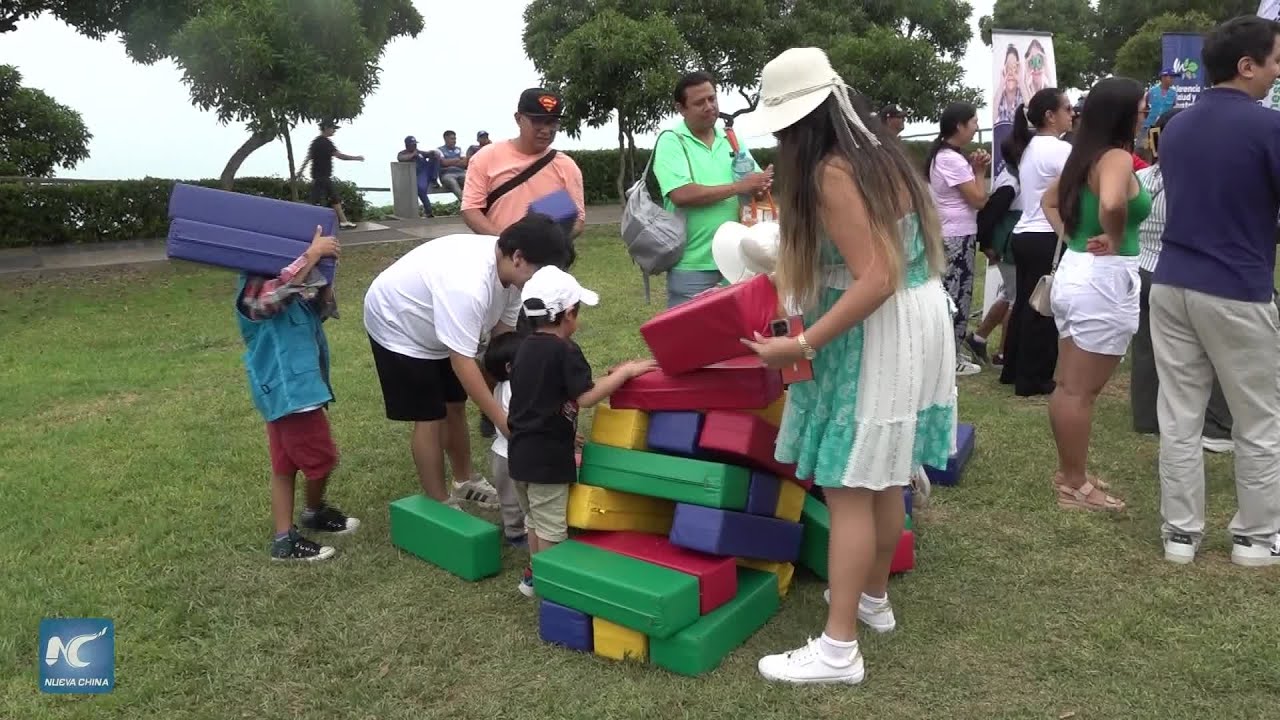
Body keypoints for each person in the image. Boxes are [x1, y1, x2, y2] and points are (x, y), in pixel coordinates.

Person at [735, 47, 957, 685]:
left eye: (781, 129)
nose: (778, 141)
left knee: (851, 486)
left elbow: (875, 277)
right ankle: (873, 600)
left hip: (873, 334)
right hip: (916, 321)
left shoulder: (832, 172)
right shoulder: (878, 153)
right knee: (883, 477)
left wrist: (800, 346)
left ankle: (838, 649)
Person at [1152, 16, 1280, 567]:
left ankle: (1180, 534)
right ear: (1247, 66)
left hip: (1172, 281)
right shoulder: (1268, 127)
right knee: (1258, 417)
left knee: (1179, 414)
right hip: (1236, 287)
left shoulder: (1176, 126)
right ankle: (1254, 538)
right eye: (1275, 60)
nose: (1278, 71)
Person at [361, 214, 571, 508]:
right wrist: (503, 420)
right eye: (540, 274)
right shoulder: (468, 285)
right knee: (430, 416)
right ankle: (439, 502)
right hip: (399, 321)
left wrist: (529, 399)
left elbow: (505, 343)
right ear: (519, 258)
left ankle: (464, 480)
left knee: (454, 406)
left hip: (442, 317)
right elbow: (463, 362)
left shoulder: (514, 277)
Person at [508, 266, 656, 596]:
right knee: (551, 529)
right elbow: (586, 396)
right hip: (547, 461)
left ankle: (534, 577)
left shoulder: (524, 348)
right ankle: (555, 589)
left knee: (534, 519)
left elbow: (537, 400)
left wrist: (564, 427)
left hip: (519, 454)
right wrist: (627, 371)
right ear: (568, 315)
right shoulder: (565, 351)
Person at [1040, 76, 1150, 513]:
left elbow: (1049, 201)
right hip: (1103, 278)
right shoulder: (1117, 158)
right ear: (1123, 112)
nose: (1145, 110)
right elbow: (1112, 204)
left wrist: (1071, 237)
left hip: (1078, 272)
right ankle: (1074, 484)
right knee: (1079, 391)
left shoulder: (1083, 156)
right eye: (1141, 105)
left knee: (1069, 385)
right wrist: (1114, 234)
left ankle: (1072, 471)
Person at [236, 226, 359, 562]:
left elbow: (320, 310)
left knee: (285, 464)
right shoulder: (254, 285)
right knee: (321, 459)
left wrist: (324, 273)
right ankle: (313, 511)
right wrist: (311, 256)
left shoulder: (291, 278)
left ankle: (283, 537)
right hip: (289, 393)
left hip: (299, 389)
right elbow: (268, 302)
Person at [1129, 108, 1234, 453]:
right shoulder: (1197, 183)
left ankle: (1147, 416)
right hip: (1180, 272)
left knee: (1146, 349)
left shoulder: (1142, 179)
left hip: (1142, 268)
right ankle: (1216, 424)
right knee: (1209, 349)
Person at [653, 71, 773, 307]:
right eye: (699, 102)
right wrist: (741, 186)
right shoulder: (671, 141)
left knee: (740, 337)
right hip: (693, 265)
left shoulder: (730, 138)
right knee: (693, 340)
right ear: (681, 108)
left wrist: (761, 185)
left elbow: (752, 184)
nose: (709, 106)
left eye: (712, 98)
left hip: (739, 260)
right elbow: (681, 194)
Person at [998, 88, 1074, 396]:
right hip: (1047, 235)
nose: (1072, 114)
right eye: (1067, 109)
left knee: (1025, 307)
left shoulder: (1030, 148)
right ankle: (1034, 378)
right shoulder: (1059, 150)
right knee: (1043, 309)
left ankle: (1013, 370)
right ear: (1050, 116)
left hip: (1026, 234)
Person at [461, 88, 586, 240]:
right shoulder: (485, 158)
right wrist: (505, 243)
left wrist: (549, 244)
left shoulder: (567, 166)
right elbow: (471, 209)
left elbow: (578, 220)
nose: (546, 130)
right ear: (518, 119)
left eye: (552, 123)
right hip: (497, 255)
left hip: (547, 259)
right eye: (537, 121)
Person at [924, 101, 990, 376]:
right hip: (956, 236)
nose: (976, 128)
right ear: (959, 126)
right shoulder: (950, 158)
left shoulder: (945, 155)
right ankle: (949, 357)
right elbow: (977, 200)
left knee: (952, 294)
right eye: (973, 122)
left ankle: (950, 351)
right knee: (957, 296)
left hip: (952, 233)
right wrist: (979, 173)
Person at [969, 136, 1024, 367]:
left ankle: (979, 338)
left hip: (1006, 241)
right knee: (1016, 298)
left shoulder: (1013, 175)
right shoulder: (1012, 182)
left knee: (1009, 294)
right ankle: (1004, 354)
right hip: (1007, 243)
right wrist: (988, 243)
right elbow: (990, 213)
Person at [483, 331, 529, 548]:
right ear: (511, 368)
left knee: (515, 495)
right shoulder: (513, 389)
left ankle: (520, 526)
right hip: (509, 454)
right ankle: (515, 533)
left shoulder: (505, 386)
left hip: (506, 451)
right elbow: (518, 423)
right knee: (511, 498)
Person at [299, 121, 364, 229]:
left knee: (333, 199)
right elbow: (340, 156)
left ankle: (343, 221)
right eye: (332, 128)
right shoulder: (326, 143)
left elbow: (308, 157)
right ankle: (307, 224)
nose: (334, 131)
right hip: (322, 176)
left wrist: (300, 172)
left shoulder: (315, 142)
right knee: (317, 201)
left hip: (318, 176)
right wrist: (356, 158)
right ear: (326, 128)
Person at [397, 136, 440, 217]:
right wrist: (413, 155)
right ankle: (429, 211)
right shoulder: (402, 153)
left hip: (427, 172)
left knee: (435, 156)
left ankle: (434, 179)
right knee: (421, 189)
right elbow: (401, 158)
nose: (414, 146)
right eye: (412, 144)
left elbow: (427, 154)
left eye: (415, 144)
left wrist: (432, 153)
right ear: (407, 145)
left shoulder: (419, 152)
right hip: (418, 175)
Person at [438, 130, 468, 200]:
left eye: (455, 139)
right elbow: (444, 163)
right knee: (453, 184)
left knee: (471, 182)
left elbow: (464, 163)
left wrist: (450, 161)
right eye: (452, 139)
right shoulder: (439, 150)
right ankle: (464, 203)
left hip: (461, 173)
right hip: (447, 174)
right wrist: (457, 159)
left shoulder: (459, 149)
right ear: (445, 139)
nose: (454, 141)